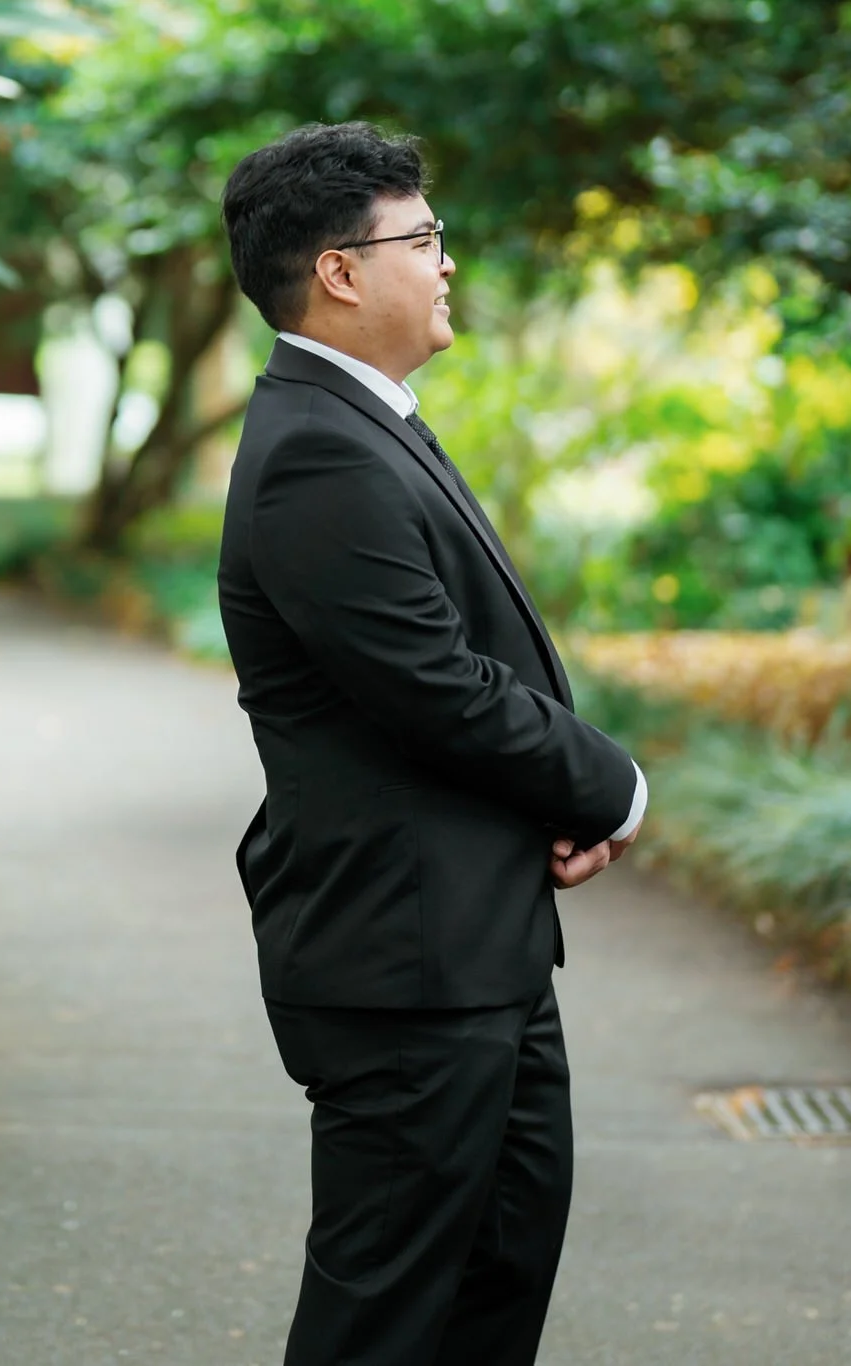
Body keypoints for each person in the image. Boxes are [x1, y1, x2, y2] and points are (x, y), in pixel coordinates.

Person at [216, 123, 648, 1366]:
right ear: (340, 271)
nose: (445, 262)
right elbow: (434, 686)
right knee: (387, 1318)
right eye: (424, 238)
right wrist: (608, 786)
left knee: (489, 1284)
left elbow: (451, 677)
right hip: (399, 965)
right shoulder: (313, 450)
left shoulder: (361, 421)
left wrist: (544, 810)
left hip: (470, 942)